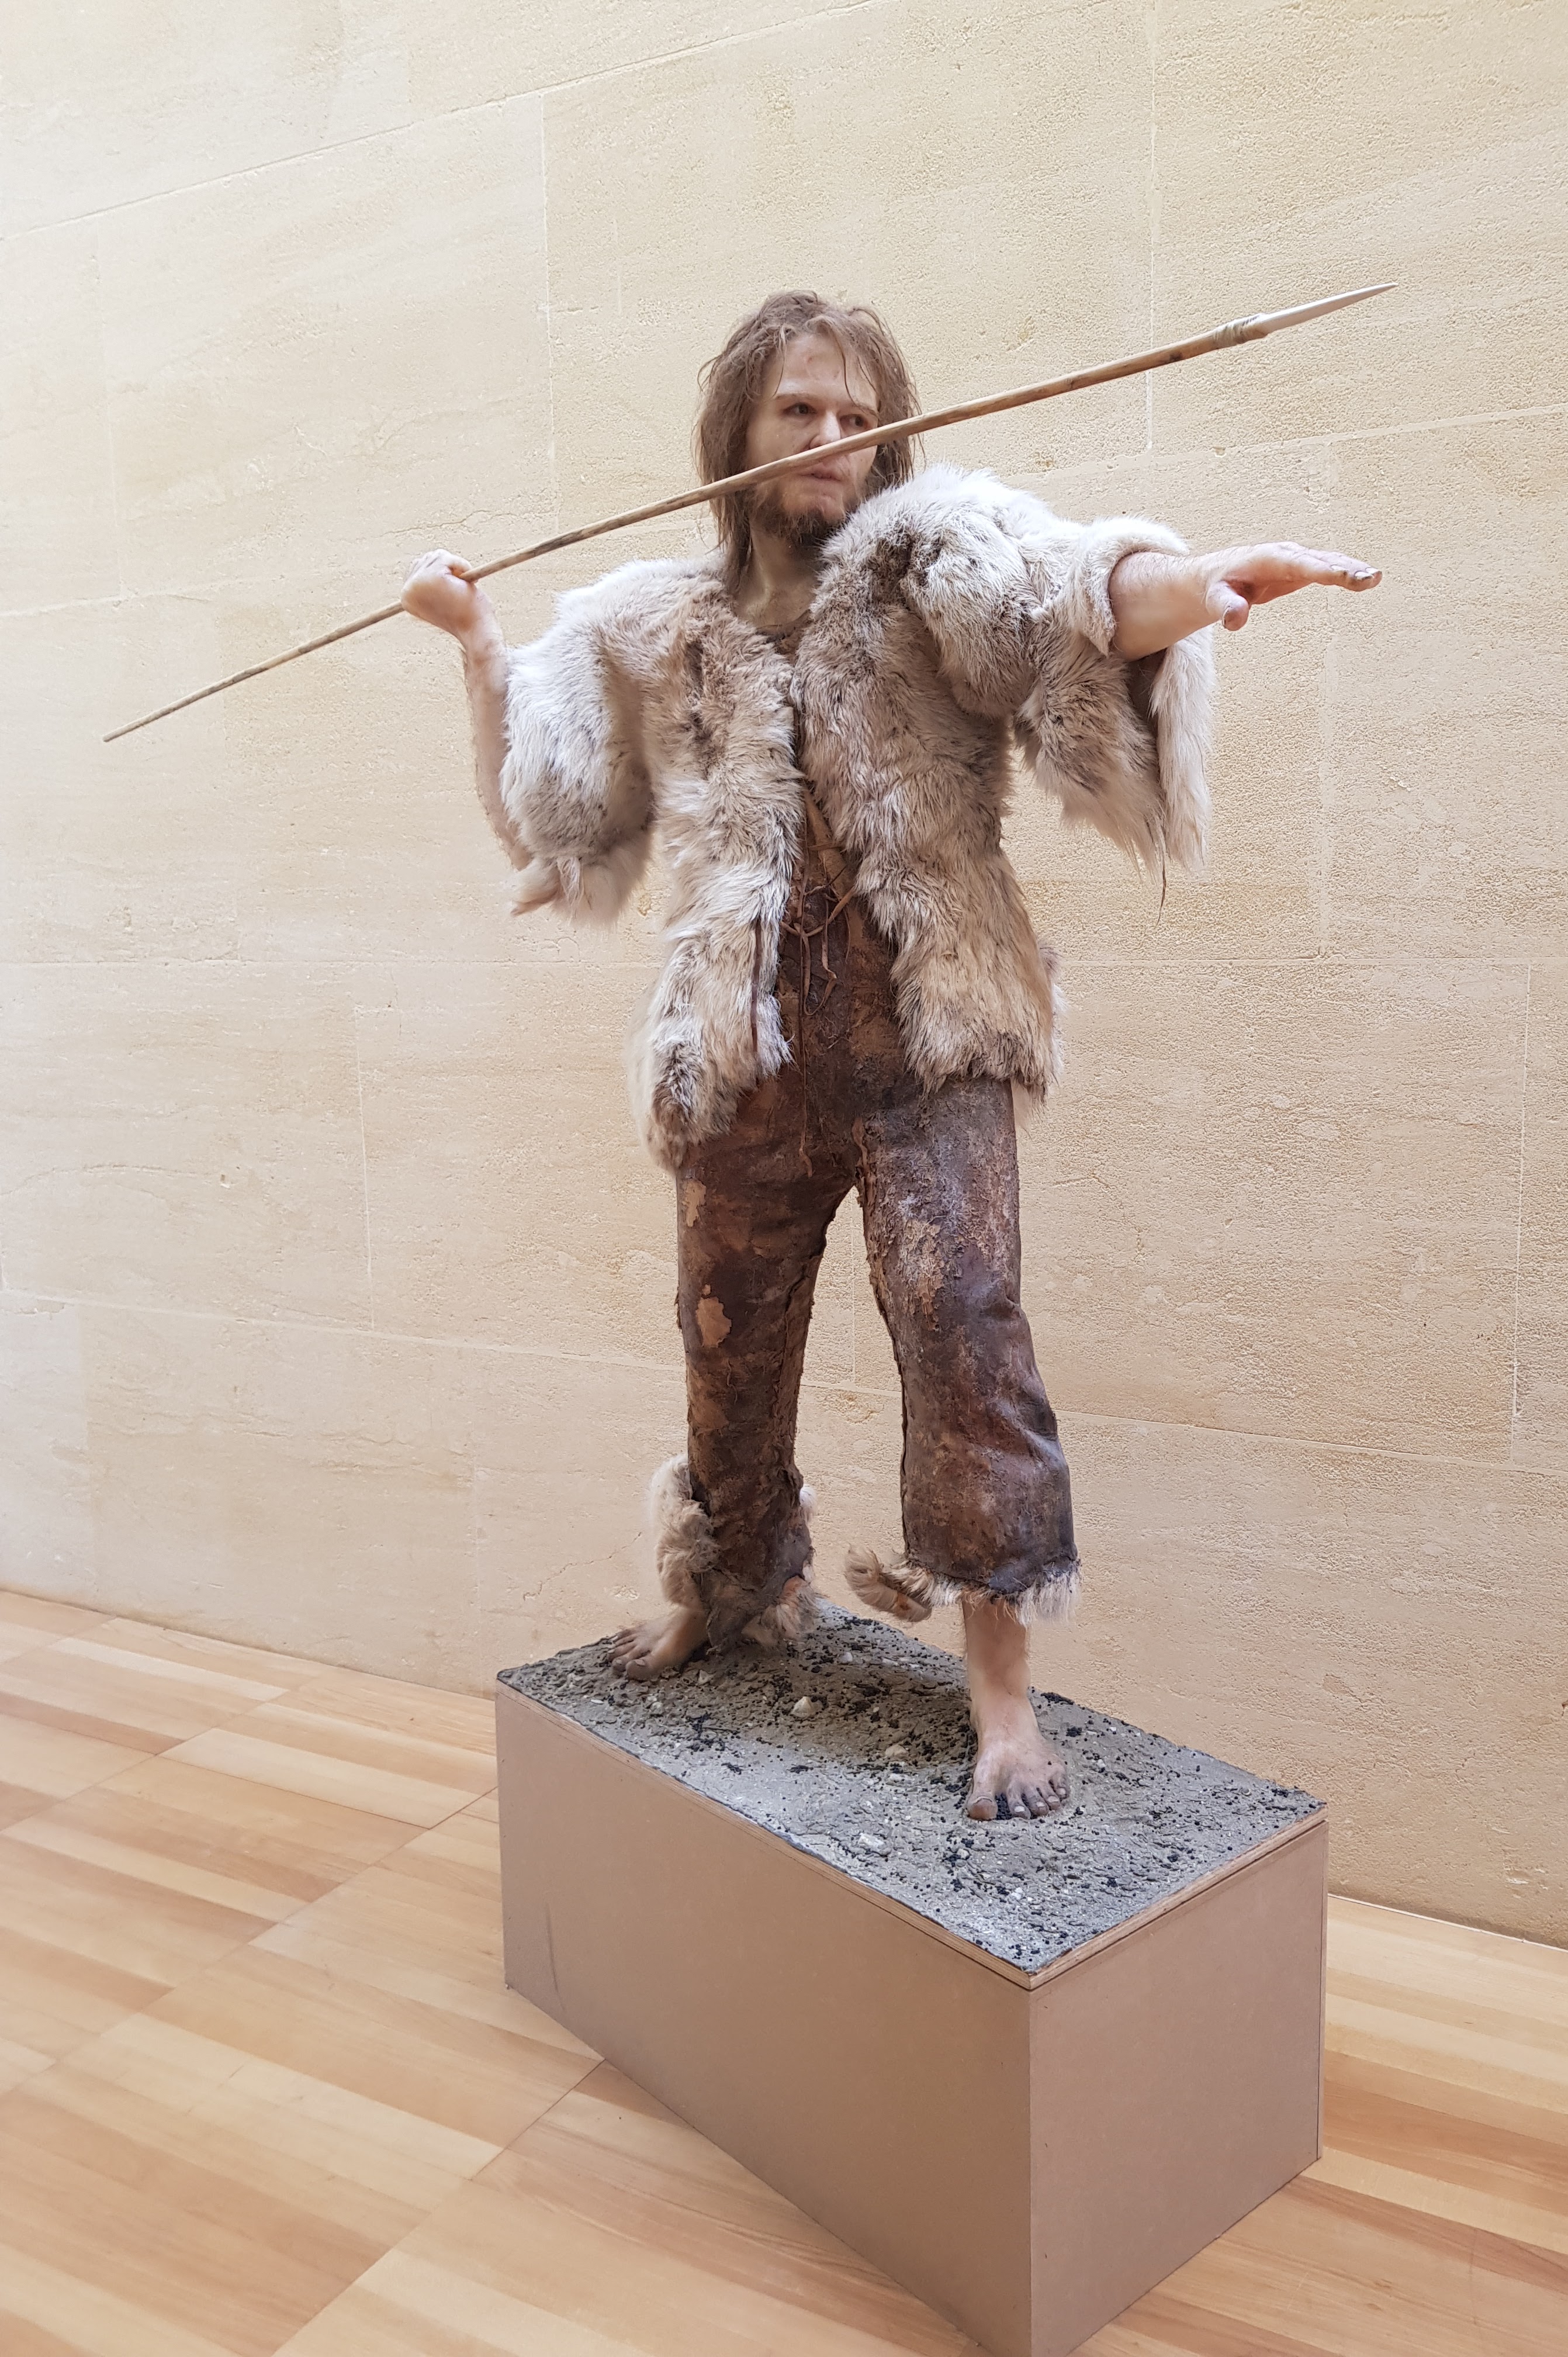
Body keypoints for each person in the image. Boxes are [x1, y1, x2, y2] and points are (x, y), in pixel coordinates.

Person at [403, 291, 1379, 1822]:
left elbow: (1057, 597)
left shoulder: (929, 559)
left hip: (928, 1041)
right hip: (744, 1051)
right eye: (799, 411)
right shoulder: (657, 622)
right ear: (737, 431)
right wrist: (475, 641)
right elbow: (563, 800)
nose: (832, 439)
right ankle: (726, 1591)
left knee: (966, 1331)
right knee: (724, 1338)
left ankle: (1002, 1700)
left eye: (859, 417)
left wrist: (1193, 585)